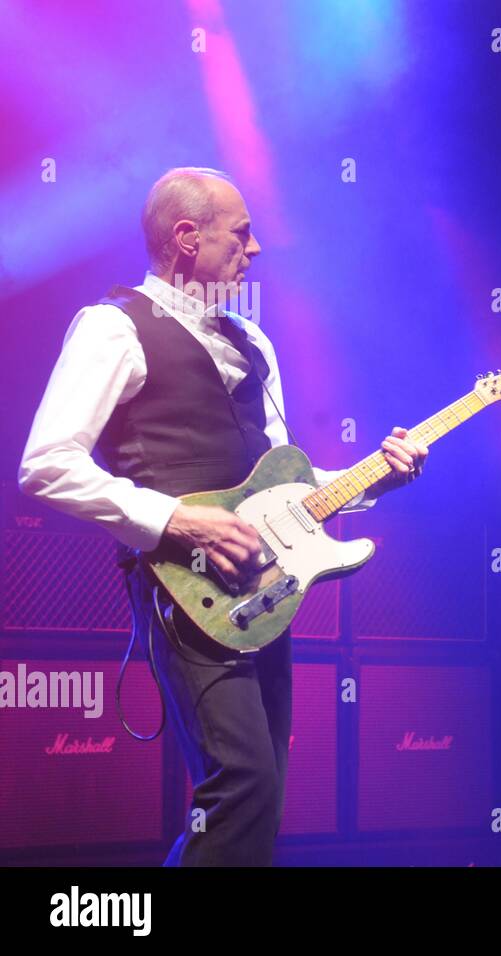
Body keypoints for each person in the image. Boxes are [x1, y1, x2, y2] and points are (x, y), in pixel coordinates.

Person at [17, 167, 429, 865]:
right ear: (186, 237)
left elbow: (287, 484)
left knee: (260, 794)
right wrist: (176, 519)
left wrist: (375, 481)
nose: (257, 249)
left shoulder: (252, 343)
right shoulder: (113, 329)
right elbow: (47, 462)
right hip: (186, 592)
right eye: (241, 234)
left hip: (262, 589)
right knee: (240, 783)